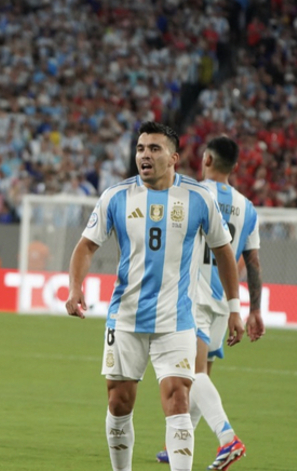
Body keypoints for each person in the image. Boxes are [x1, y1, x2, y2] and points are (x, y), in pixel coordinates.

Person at [64, 122, 245, 471]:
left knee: (178, 396)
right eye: (140, 148)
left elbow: (224, 252)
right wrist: (75, 287)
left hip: (176, 319)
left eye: (154, 149)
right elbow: (85, 246)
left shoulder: (198, 198)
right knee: (119, 402)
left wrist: (235, 308)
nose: (144, 155)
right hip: (126, 318)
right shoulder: (116, 196)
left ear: (174, 158)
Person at [156, 136, 264, 470]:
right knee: (202, 373)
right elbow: (252, 261)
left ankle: (227, 437)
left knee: (193, 372)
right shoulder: (248, 207)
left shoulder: (191, 192)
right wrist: (252, 309)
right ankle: (177, 440)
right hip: (223, 300)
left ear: (205, 160)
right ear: (233, 167)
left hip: (192, 294)